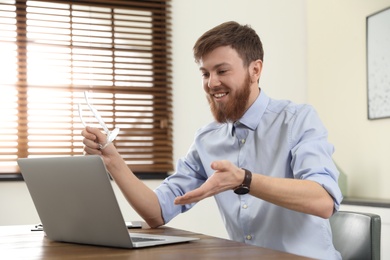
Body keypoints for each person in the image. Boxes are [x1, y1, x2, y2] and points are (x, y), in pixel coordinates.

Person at [82, 21, 343, 259]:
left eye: (222, 71)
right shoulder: (207, 139)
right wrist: (112, 160)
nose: (211, 83)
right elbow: (156, 212)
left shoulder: (297, 119)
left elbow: (323, 201)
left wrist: (244, 180)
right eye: (205, 73)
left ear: (255, 69)